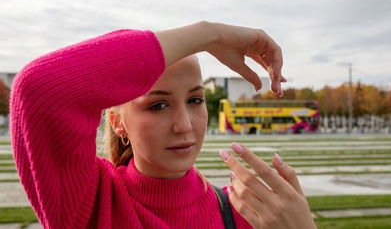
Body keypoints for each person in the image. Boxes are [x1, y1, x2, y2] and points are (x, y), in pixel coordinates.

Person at [10, 21, 317, 228]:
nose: (184, 126)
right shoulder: (89, 204)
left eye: (195, 100)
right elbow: (37, 88)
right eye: (158, 105)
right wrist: (209, 34)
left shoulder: (249, 212)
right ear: (118, 123)